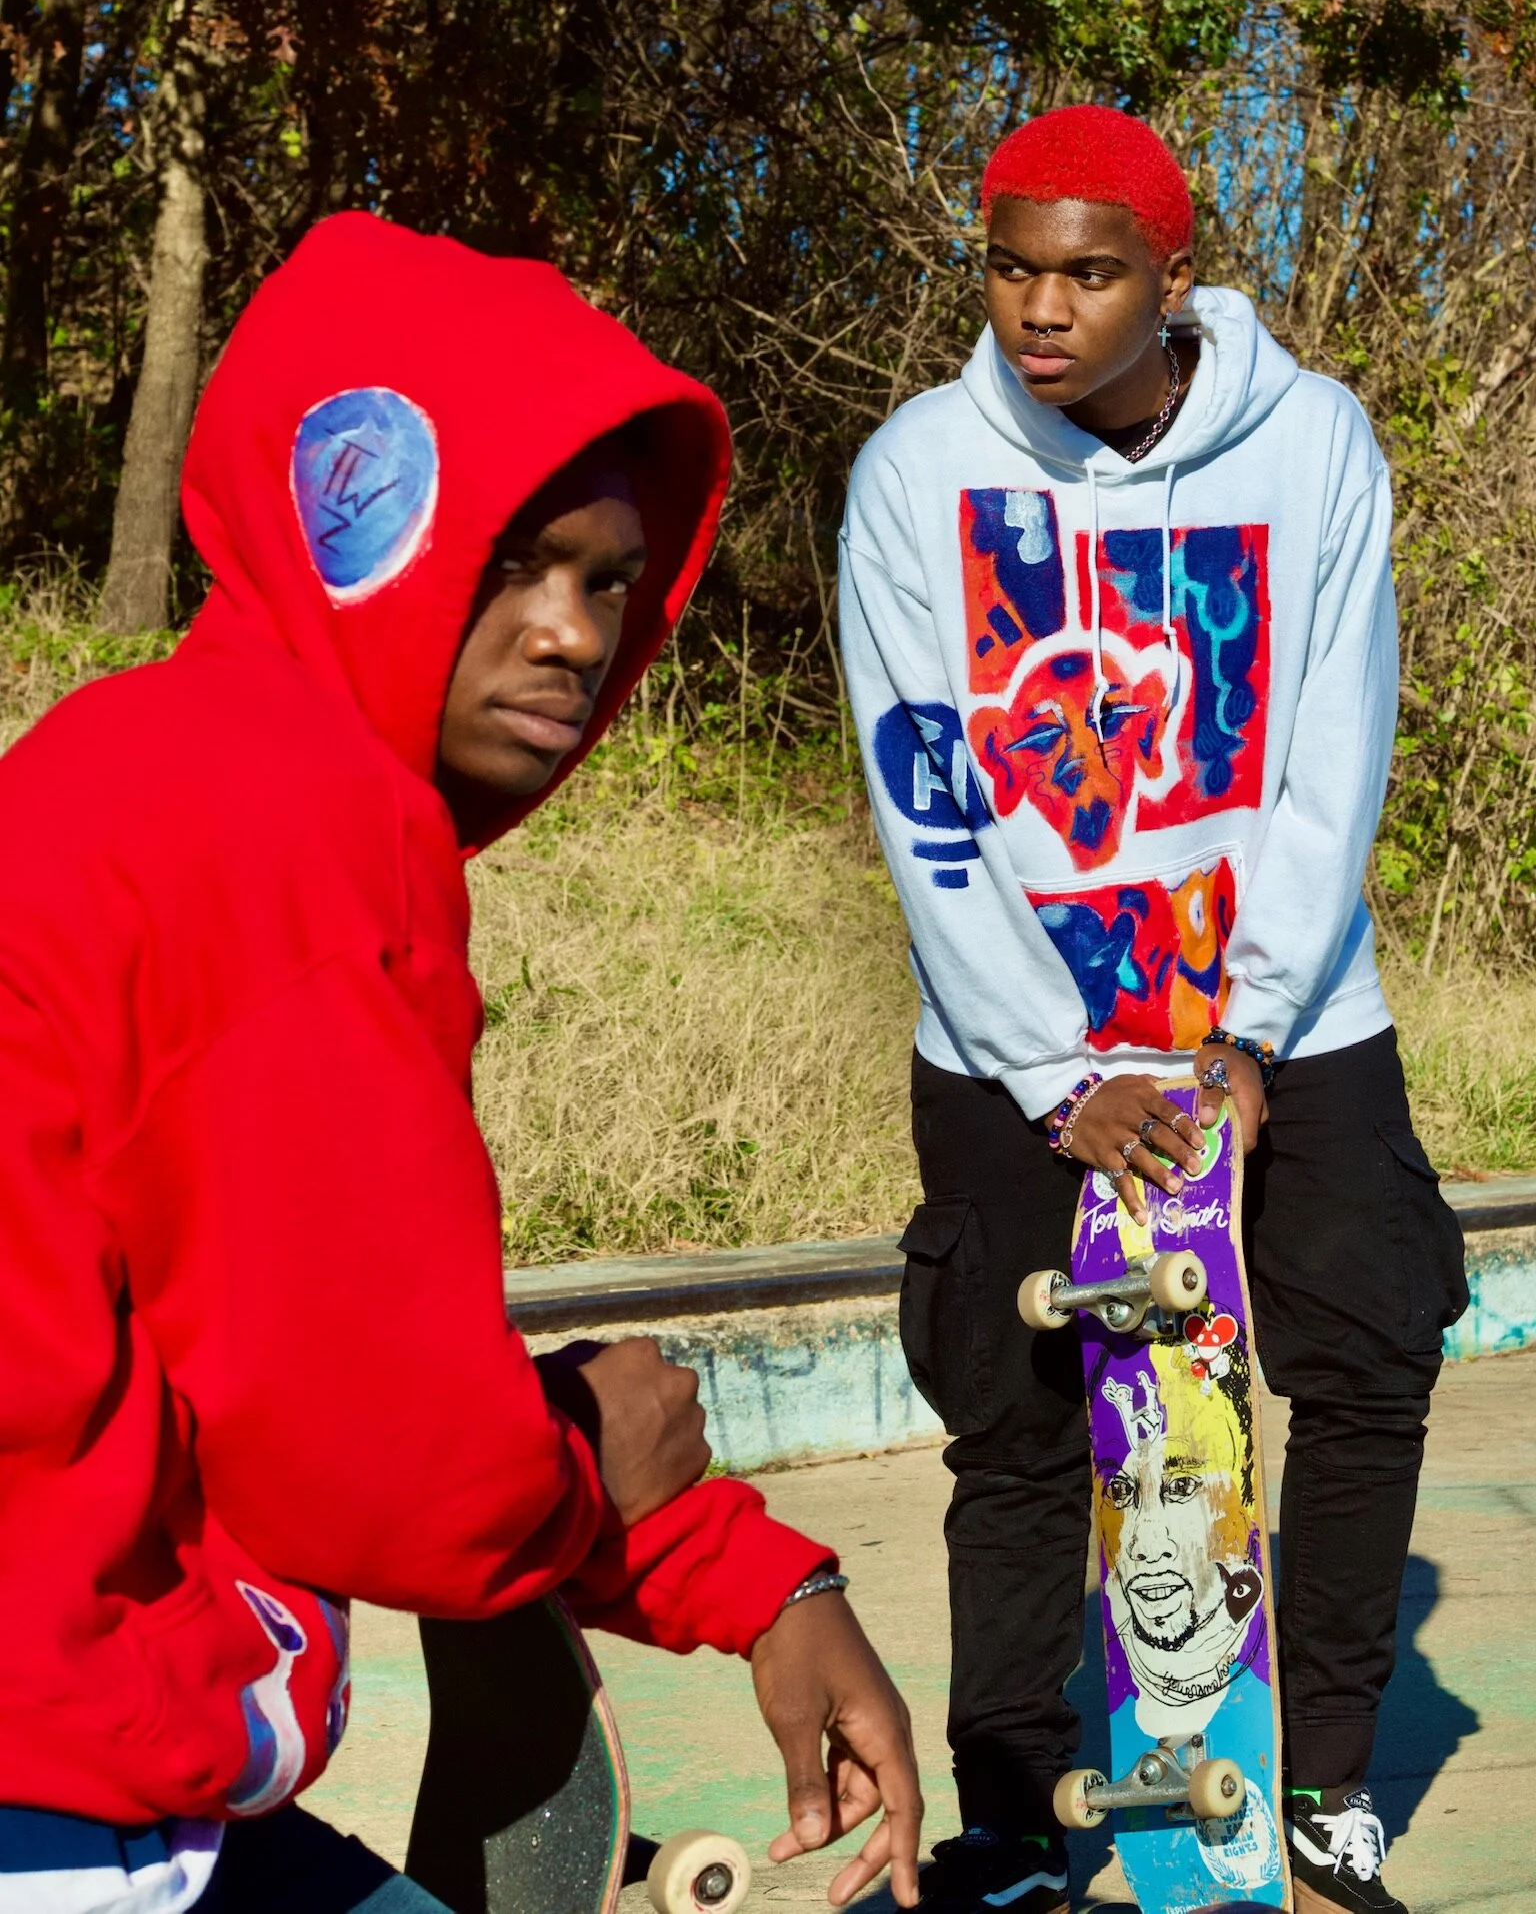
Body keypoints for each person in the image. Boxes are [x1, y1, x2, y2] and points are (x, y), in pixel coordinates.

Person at [0, 213, 922, 1914]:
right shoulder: (289, 831)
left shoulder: (156, 765)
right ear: (365, 526)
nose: (573, 636)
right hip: (51, 1783)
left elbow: (298, 1361)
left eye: (611, 586)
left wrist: (738, 1567)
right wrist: (616, 1483)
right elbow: (389, 1462)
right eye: (519, 563)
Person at [838, 105, 1468, 1914]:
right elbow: (927, 792)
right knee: (1023, 1419)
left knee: (1364, 1360)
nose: (1045, 308)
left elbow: (1335, 746)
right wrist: (1051, 1066)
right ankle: (1019, 1817)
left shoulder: (1314, 444)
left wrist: (1250, 1025)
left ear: (1168, 277)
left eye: (1090, 273)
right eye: (1014, 269)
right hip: (1013, 1046)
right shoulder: (916, 474)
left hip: (1289, 1022)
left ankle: (1322, 1789)